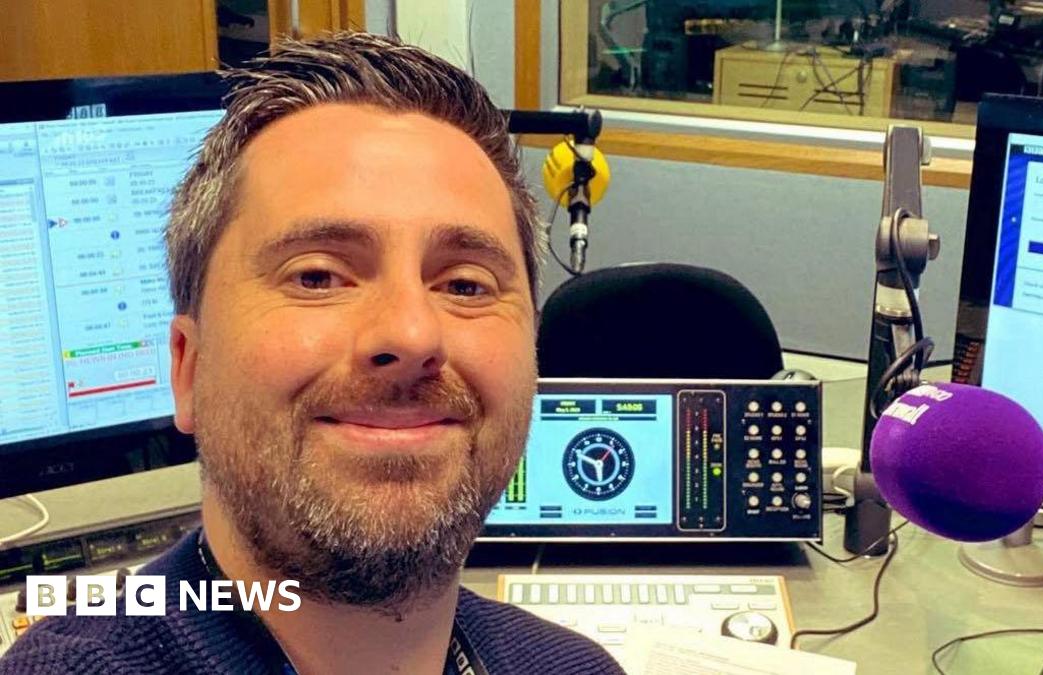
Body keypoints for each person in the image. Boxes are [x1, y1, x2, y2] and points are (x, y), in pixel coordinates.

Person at [0, 32, 624, 675]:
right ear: (186, 368)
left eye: (465, 285)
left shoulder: (571, 666)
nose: (412, 336)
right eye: (318, 277)